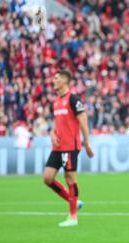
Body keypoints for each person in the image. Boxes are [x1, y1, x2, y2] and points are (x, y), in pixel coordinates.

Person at [42, 69, 94, 227]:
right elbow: (57, 122)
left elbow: (83, 119)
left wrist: (86, 142)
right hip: (57, 147)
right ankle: (74, 201)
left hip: (70, 146)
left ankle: (73, 217)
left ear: (65, 81)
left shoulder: (73, 98)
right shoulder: (56, 101)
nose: (54, 80)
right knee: (47, 178)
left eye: (57, 78)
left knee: (70, 178)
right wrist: (52, 132)